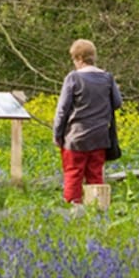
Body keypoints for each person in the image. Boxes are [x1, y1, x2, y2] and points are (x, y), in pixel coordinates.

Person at [53, 38, 122, 204]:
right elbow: (117, 103)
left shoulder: (73, 78)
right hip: (99, 137)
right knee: (95, 176)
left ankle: (73, 211)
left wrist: (57, 134)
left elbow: (62, 110)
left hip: (75, 138)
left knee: (73, 175)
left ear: (78, 59)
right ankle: (98, 212)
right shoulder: (107, 78)